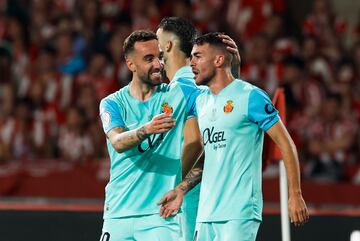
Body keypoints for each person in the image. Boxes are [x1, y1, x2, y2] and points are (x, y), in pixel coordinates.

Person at [159, 32, 309, 241]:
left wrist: (295, 194)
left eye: (198, 56)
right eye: (191, 56)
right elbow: (208, 156)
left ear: (219, 60)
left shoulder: (250, 96)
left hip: (239, 213)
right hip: (206, 214)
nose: (191, 62)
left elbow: (286, 145)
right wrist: (181, 189)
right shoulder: (201, 101)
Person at [98, 30, 202, 241]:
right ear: (130, 64)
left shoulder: (178, 94)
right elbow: (117, 141)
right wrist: (147, 129)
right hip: (118, 213)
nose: (158, 64)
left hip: (160, 217)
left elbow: (218, 91)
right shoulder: (112, 103)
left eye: (160, 57)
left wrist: (233, 65)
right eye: (148, 59)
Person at [156, 17, 241, 241]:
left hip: (191, 197)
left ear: (168, 45)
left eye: (157, 40)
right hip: (210, 193)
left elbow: (195, 143)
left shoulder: (181, 89)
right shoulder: (200, 85)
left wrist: (172, 184)